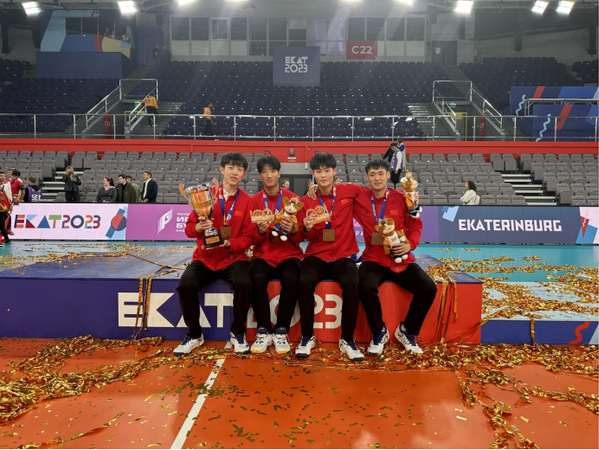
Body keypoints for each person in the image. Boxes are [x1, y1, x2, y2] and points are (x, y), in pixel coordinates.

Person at [174, 152, 254, 356]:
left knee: (245, 283)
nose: (234, 172)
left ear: (244, 174)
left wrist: (230, 243)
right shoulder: (204, 195)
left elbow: (248, 237)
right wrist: (199, 228)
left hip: (232, 258)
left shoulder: (247, 201)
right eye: (230, 168)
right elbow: (189, 230)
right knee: (185, 284)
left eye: (239, 169)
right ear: (222, 170)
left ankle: (237, 332)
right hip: (205, 258)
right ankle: (194, 334)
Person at [354, 159, 437, 355]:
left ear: (388, 175)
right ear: (366, 177)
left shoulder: (403, 198)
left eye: (380, 174)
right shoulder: (359, 199)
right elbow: (338, 194)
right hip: (373, 259)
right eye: (372, 174)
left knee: (428, 288)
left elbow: (415, 226)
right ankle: (378, 332)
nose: (377, 178)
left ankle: (406, 330)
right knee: (365, 286)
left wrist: (410, 244)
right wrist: (315, 188)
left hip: (401, 258)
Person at [295, 152, 366, 361]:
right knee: (304, 279)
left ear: (335, 171)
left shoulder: (349, 190)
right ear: (313, 173)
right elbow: (302, 236)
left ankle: (347, 339)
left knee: (353, 281)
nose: (323, 175)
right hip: (316, 255)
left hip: (343, 255)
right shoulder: (307, 200)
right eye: (319, 171)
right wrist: (307, 228)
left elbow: (375, 193)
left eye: (327, 170)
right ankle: (307, 336)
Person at [249, 155, 303, 354]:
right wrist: (260, 231)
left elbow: (301, 236)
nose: (269, 175)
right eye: (264, 172)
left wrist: (293, 230)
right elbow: (252, 238)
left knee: (292, 277)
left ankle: (281, 330)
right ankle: (263, 330)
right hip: (263, 254)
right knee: (255, 276)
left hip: (289, 254)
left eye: (272, 171)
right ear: (260, 175)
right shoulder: (254, 201)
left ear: (279, 173)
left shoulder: (294, 200)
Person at [0, 171, 12, 243]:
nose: (2, 177)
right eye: (1, 176)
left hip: (6, 208)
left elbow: (8, 196)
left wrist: (10, 205)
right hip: (1, 209)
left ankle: (6, 236)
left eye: (3, 176)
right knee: (2, 224)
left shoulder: (6, 185)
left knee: (5, 223)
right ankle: (6, 238)